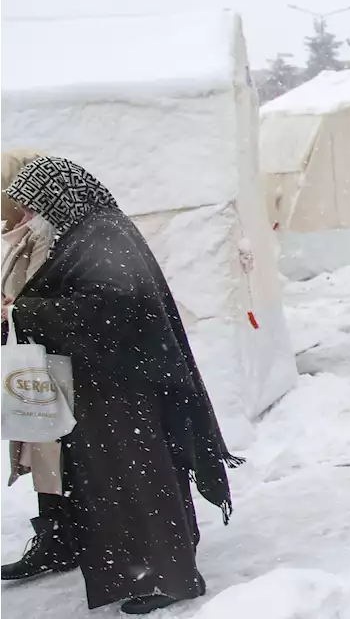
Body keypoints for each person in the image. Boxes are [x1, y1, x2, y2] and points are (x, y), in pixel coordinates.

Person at [0, 157, 239, 614]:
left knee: (137, 482)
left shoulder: (103, 236)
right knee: (107, 482)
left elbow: (106, 311)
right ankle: (107, 555)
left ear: (58, 199)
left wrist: (22, 313)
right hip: (104, 384)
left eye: (32, 209)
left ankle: (171, 576)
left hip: (125, 389)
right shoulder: (82, 234)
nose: (26, 220)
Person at [0, 149, 65, 583]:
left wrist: (11, 310)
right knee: (41, 450)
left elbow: (41, 290)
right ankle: (55, 537)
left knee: (50, 454)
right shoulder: (20, 229)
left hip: (46, 357)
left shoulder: (44, 230)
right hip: (28, 354)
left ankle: (60, 539)